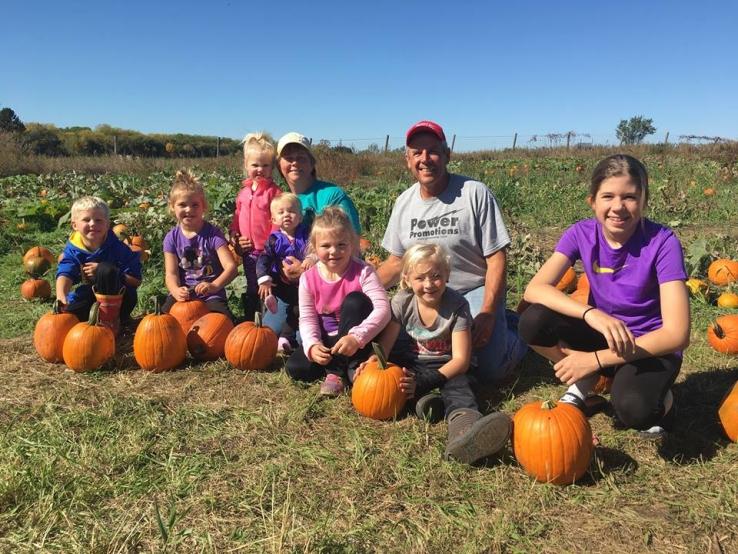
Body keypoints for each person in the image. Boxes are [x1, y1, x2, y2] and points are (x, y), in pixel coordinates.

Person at [519, 154, 690, 438]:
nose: (618, 207)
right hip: (604, 332)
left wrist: (595, 360)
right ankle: (588, 379)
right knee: (532, 321)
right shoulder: (580, 234)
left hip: (649, 346)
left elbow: (677, 334)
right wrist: (591, 313)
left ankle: (664, 402)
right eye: (608, 196)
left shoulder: (663, 242)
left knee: (635, 410)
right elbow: (534, 289)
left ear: (644, 200)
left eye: (630, 197)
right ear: (593, 201)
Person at [377, 120, 527, 383]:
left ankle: (518, 331)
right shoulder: (403, 203)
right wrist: (362, 290)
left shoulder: (474, 193)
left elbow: (496, 258)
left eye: (433, 151)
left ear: (447, 155)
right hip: (424, 293)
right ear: (407, 160)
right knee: (395, 352)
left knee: (488, 370)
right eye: (417, 153)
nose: (425, 159)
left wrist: (489, 312)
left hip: (471, 292)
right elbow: (396, 262)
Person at [358, 243, 511, 464]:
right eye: (420, 278)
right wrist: (375, 361)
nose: (429, 284)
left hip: (448, 366)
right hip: (414, 362)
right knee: (400, 383)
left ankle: (464, 431)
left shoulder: (457, 306)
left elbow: (461, 360)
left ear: (447, 276)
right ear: (407, 279)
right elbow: (387, 345)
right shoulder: (402, 301)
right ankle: (428, 403)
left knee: (458, 389)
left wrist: (428, 380)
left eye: (436, 276)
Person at [263, 131, 362, 333]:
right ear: (279, 165)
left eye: (301, 157)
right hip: (289, 287)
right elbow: (276, 242)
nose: (294, 163)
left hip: (329, 280)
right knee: (268, 332)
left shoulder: (332, 195)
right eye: (288, 158)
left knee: (305, 338)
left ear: (311, 162)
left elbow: (352, 246)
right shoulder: (281, 202)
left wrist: (308, 268)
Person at [286, 207, 390, 396]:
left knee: (355, 302)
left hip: (358, 337)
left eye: (341, 245)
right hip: (330, 339)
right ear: (315, 247)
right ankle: (344, 366)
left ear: (352, 244)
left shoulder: (363, 271)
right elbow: (307, 317)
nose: (334, 251)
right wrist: (312, 345)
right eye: (326, 246)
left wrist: (356, 337)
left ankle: (337, 372)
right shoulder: (308, 278)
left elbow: (383, 309)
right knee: (296, 368)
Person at [56, 196, 142, 334]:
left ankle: (113, 320)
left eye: (98, 220)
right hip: (92, 297)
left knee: (106, 269)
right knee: (68, 315)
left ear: (107, 224)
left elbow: (136, 280)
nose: (92, 224)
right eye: (86, 219)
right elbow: (66, 273)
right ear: (74, 225)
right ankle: (94, 321)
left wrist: (110, 272)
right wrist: (61, 297)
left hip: (122, 299)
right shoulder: (73, 250)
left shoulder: (119, 248)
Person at [162, 170, 238, 320]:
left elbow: (231, 268)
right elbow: (171, 273)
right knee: (163, 322)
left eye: (195, 205)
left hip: (210, 294)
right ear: (172, 207)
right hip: (184, 293)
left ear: (204, 206)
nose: (189, 210)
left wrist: (214, 286)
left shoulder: (213, 235)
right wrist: (176, 290)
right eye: (182, 205)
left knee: (222, 322)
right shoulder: (171, 238)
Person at [230, 132, 282, 320]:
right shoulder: (243, 193)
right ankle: (252, 318)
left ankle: (270, 319)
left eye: (265, 165)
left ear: (272, 167)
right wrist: (235, 235)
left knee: (267, 284)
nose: (260, 169)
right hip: (248, 251)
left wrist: (272, 243)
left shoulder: (274, 192)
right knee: (252, 284)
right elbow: (237, 217)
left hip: (267, 251)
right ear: (246, 164)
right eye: (255, 165)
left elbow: (278, 220)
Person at [256, 193, 313, 352]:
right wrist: (264, 278)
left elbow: (316, 249)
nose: (287, 215)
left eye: (291, 211)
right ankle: (272, 300)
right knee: (272, 327)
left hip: (305, 286)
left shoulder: (307, 234)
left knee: (299, 311)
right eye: (281, 212)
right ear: (274, 220)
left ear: (300, 217)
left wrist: (311, 258)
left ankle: (291, 338)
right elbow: (264, 259)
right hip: (282, 286)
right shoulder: (274, 239)